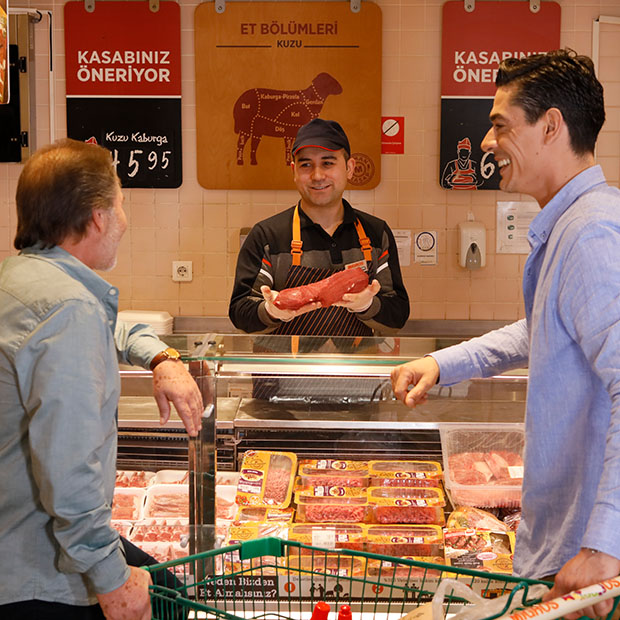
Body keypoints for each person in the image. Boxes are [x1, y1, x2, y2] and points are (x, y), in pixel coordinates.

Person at [391, 49, 620, 619]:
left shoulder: (591, 233)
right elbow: (542, 327)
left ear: (551, 126)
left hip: (586, 572)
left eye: (500, 125)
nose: (487, 141)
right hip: (567, 552)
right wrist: (444, 363)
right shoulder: (574, 224)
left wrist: (603, 548)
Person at [0, 139, 203, 619]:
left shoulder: (21, 280)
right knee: (172, 600)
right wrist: (113, 582)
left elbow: (112, 326)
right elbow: (69, 469)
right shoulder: (69, 309)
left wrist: (160, 356)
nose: (124, 222)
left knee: (169, 586)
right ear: (97, 217)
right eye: (121, 205)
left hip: (15, 544)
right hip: (39, 573)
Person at [229, 118, 410, 338]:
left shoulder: (375, 233)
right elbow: (240, 312)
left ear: (349, 168)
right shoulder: (267, 236)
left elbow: (398, 315)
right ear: (294, 171)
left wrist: (367, 305)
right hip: (283, 361)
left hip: (354, 361)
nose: (317, 176)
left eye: (328, 163)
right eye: (306, 165)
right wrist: (271, 311)